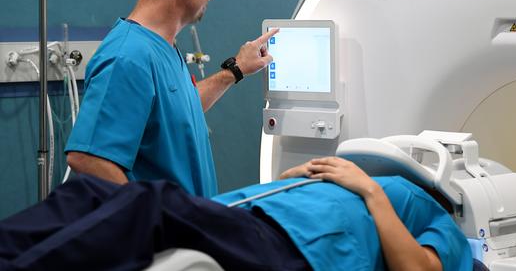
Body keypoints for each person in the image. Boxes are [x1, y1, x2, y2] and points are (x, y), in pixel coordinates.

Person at [64, 0, 276, 197]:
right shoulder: (127, 57)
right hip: (162, 238)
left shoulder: (162, 47)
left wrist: (235, 70)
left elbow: (174, 114)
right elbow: (88, 158)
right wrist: (155, 220)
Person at [0, 157, 479, 271]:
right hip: (251, 218)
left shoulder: (442, 222)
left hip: (291, 250)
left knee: (153, 202)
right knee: (89, 191)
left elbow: (418, 268)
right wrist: (293, 183)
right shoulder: (361, 177)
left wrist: (371, 191)